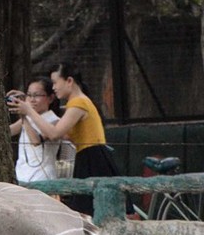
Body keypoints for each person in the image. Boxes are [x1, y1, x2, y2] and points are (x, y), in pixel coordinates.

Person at [8, 62, 130, 216]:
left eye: (55, 83)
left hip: (92, 157)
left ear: (69, 81)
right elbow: (58, 134)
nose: (53, 87)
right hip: (87, 157)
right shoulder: (75, 104)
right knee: (90, 210)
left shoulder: (79, 103)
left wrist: (28, 112)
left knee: (94, 211)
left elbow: (54, 133)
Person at [7, 77, 61, 182]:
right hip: (21, 176)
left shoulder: (55, 120)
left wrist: (25, 115)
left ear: (50, 98)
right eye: (29, 95)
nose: (32, 100)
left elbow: (35, 141)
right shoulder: (29, 117)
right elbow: (8, 132)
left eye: (37, 95)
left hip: (42, 178)